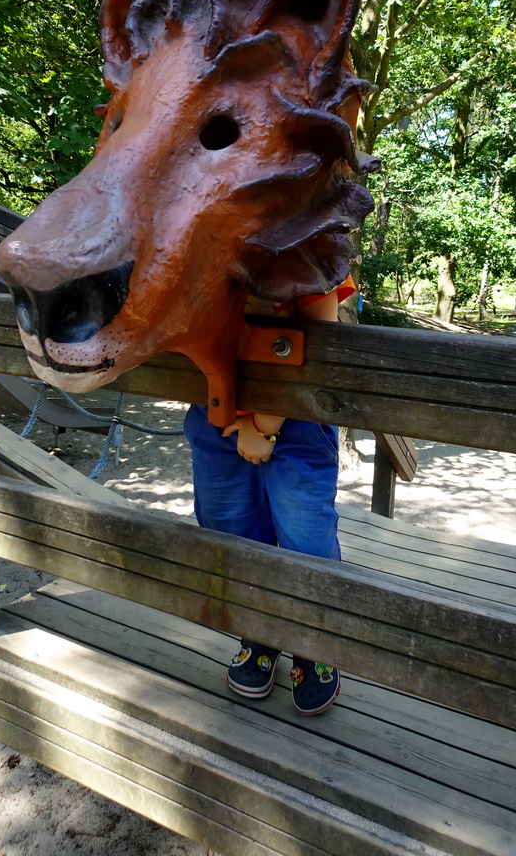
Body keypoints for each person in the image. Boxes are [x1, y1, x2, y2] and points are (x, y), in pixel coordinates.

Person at [184, 278, 354, 715]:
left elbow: (320, 340)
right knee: (230, 528)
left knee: (305, 537)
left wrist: (263, 423)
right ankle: (259, 631)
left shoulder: (308, 244)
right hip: (214, 411)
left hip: (296, 417)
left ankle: (313, 641)